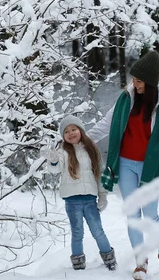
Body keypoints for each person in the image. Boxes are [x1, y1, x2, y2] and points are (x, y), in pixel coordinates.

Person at [88, 50, 159, 280]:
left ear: (149, 82)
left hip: (151, 167)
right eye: (134, 79)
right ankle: (140, 263)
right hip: (126, 164)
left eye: (138, 81)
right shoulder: (126, 99)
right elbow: (105, 124)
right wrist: (84, 138)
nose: (134, 84)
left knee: (150, 214)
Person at [42, 115, 117, 271]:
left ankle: (109, 258)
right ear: (63, 136)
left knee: (98, 231)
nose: (71, 133)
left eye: (74, 129)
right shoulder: (62, 151)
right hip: (72, 201)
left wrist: (103, 196)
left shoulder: (91, 149)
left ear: (80, 130)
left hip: (90, 199)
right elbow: (55, 170)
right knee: (77, 232)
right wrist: (53, 159)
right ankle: (78, 263)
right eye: (67, 131)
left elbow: (99, 174)